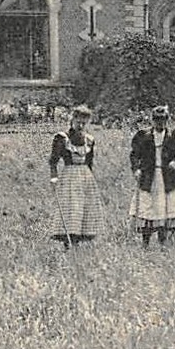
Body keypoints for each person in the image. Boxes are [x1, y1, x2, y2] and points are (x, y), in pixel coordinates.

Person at [129, 105, 175, 246]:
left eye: (163, 120)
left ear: (167, 120)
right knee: (147, 209)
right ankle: (145, 242)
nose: (159, 123)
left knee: (165, 208)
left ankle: (163, 241)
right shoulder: (143, 136)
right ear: (152, 120)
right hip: (149, 177)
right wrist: (136, 169)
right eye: (156, 120)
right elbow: (134, 155)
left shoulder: (174, 136)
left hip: (167, 177)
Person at [48, 105, 107, 248]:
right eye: (78, 122)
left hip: (85, 177)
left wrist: (92, 180)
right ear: (72, 120)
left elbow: (90, 162)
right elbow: (53, 160)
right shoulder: (62, 138)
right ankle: (69, 242)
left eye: (84, 123)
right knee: (72, 208)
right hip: (70, 176)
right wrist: (54, 177)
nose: (80, 126)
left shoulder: (89, 140)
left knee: (84, 208)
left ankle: (79, 240)